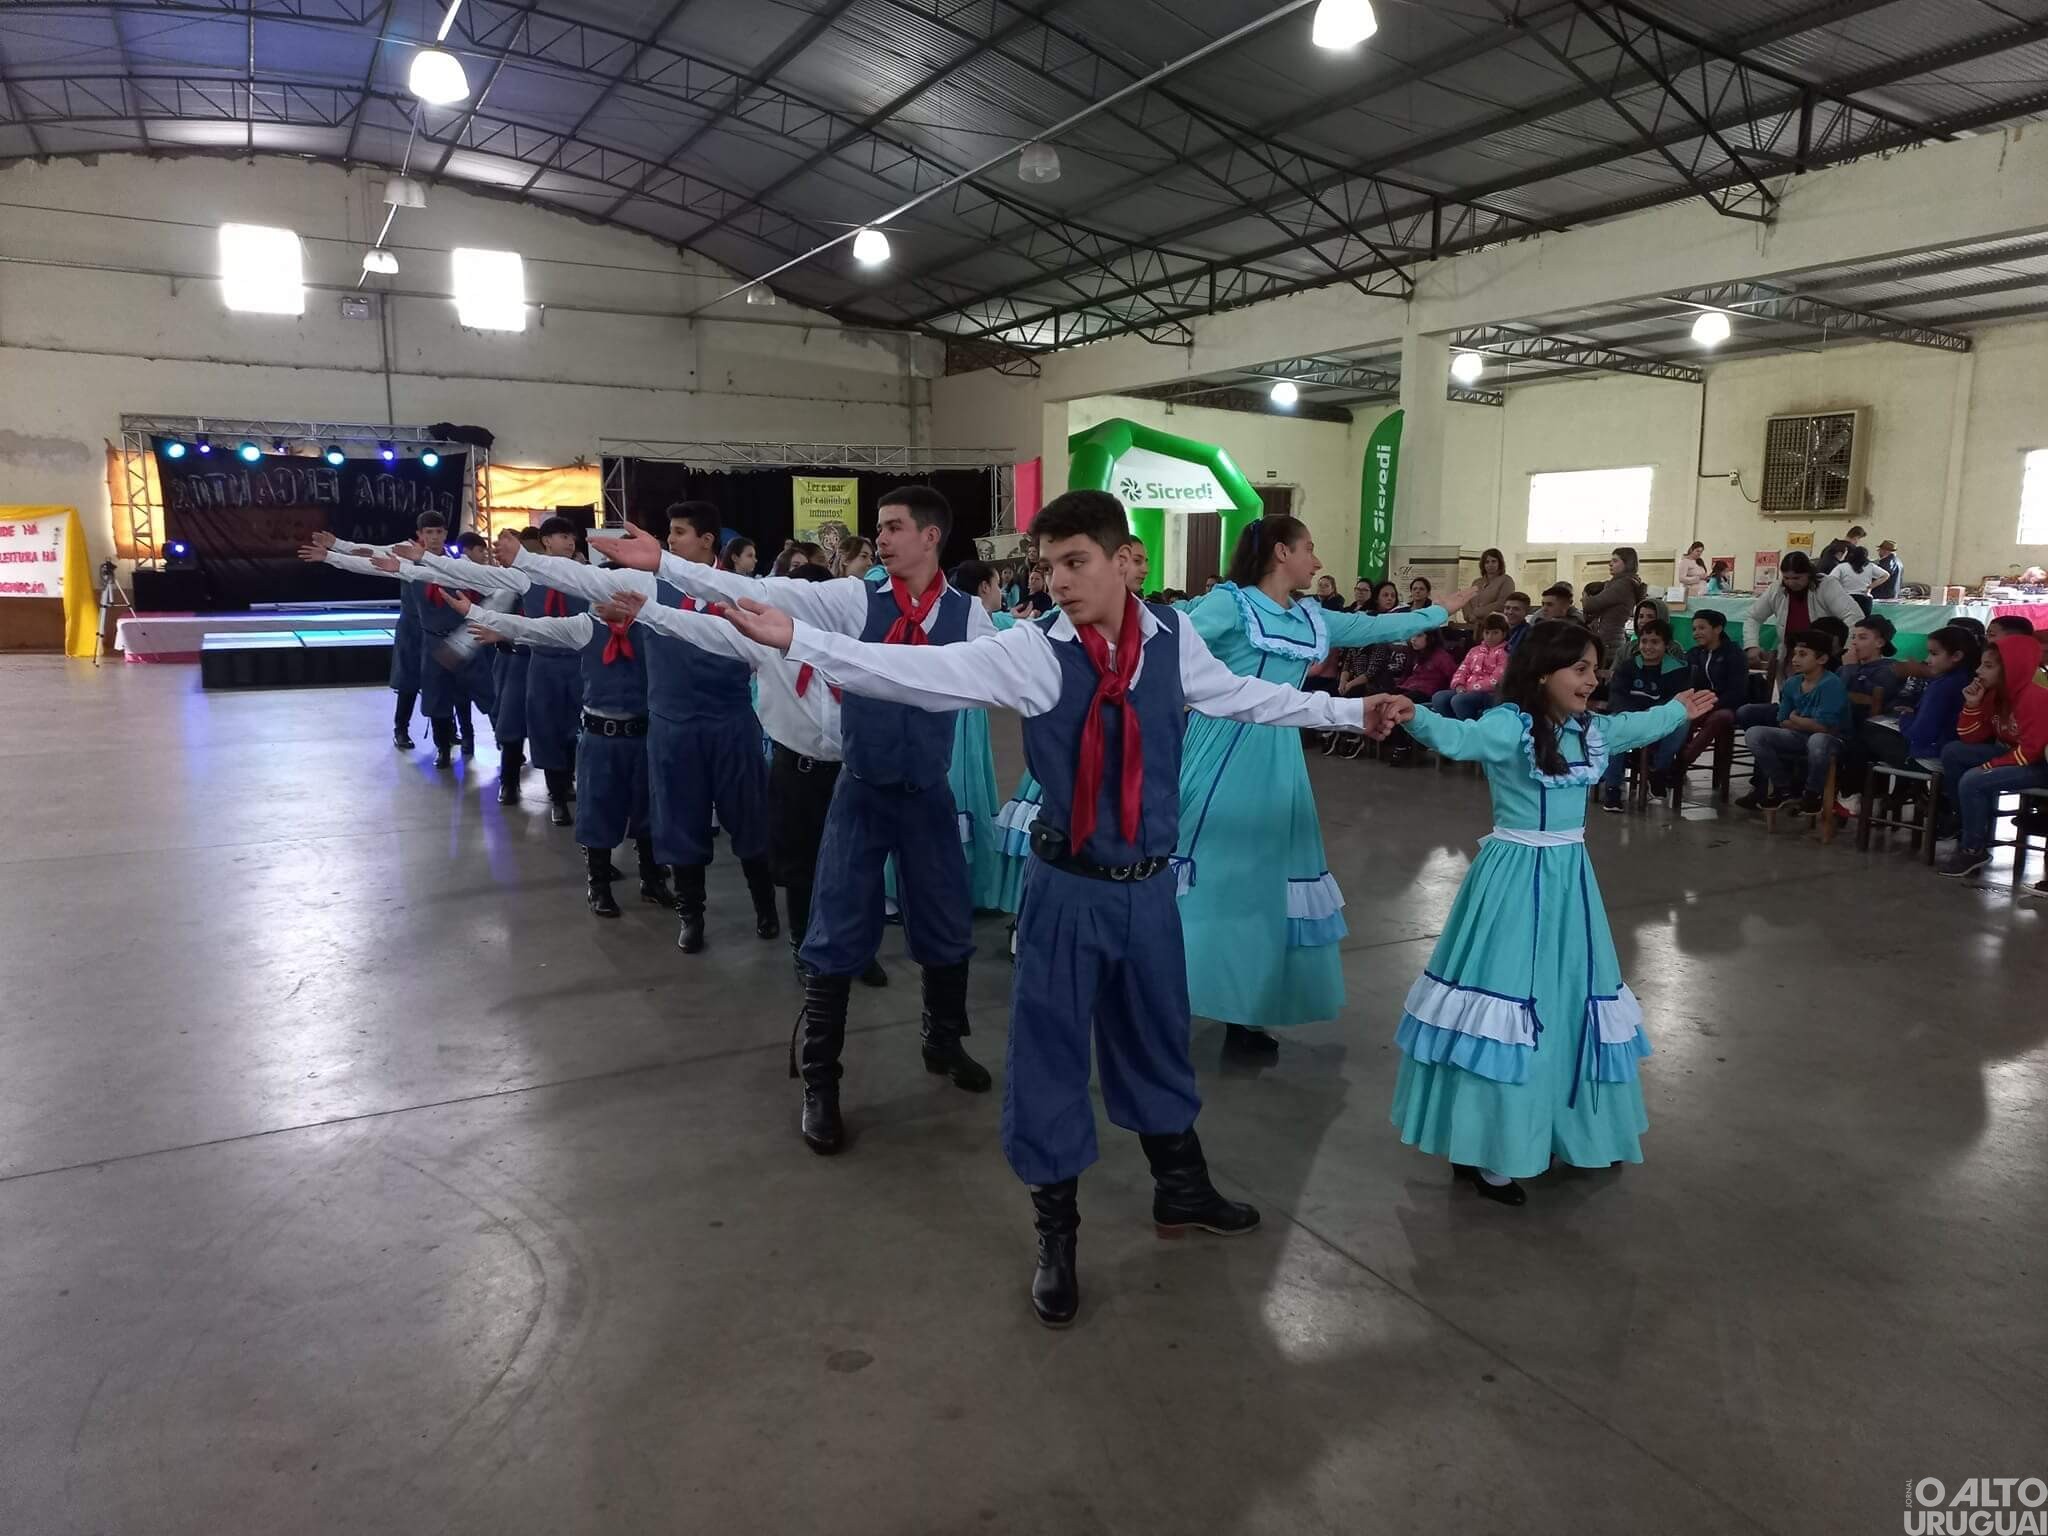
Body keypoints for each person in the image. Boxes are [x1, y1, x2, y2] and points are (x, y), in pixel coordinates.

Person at [717, 488, 1403, 1326]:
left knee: (1156, 1036)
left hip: (1150, 889)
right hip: (1067, 891)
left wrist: (1346, 708)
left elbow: (1244, 697)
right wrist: (803, 638)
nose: (1060, 582)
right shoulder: (1036, 652)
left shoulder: (1173, 639)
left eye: (1076, 563)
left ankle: (1179, 1188)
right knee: (1048, 1057)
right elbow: (918, 670)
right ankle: (1058, 1231)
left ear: (1125, 561)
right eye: (1048, 567)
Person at [598, 485, 1000, 1153]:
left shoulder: (973, 619)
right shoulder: (852, 599)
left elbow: (1008, 674)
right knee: (834, 933)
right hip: (862, 789)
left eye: (896, 527)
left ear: (932, 537)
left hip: (927, 792)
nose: (884, 538)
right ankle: (820, 1081)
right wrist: (666, 568)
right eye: (881, 528)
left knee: (946, 922)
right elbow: (765, 597)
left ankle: (942, 1040)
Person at [1382, 622, 1715, 1205]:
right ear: (1542, 673)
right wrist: (1416, 716)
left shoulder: (1589, 729)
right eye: (1580, 669)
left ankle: (1563, 1126)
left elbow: (1634, 726)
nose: (1592, 679)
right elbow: (1460, 740)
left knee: (1567, 998)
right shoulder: (1509, 724)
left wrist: (1676, 711)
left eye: (1594, 668)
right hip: (1513, 879)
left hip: (1570, 882)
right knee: (1506, 1003)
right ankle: (1490, 1146)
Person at [1176, 517, 1470, 1051]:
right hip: (1222, 748)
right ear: (1281, 552)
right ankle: (1171, 993)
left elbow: (1379, 628)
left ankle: (1244, 1009)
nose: (1317, 561)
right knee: (1211, 873)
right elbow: (1168, 644)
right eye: (1310, 549)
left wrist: (1440, 610)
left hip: (1279, 754)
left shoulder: (1311, 616)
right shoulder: (1230, 605)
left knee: (1271, 879)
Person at [596, 571, 889, 989]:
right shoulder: (762, 638)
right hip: (791, 767)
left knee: (860, 863)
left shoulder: (859, 647)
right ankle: (793, 942)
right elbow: (705, 628)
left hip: (850, 770)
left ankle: (859, 947)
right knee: (798, 867)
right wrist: (649, 612)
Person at [505, 506, 781, 948]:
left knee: (749, 819)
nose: (671, 541)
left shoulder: (740, 591)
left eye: (679, 533)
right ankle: (692, 915)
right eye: (669, 532)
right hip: (672, 727)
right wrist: (526, 560)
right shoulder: (650, 586)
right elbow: (586, 581)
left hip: (730, 723)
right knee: (679, 819)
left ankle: (765, 906)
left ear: (708, 540)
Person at [455, 592, 662, 917]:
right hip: (601, 736)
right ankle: (598, 885)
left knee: (647, 806)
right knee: (597, 807)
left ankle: (652, 880)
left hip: (641, 735)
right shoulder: (585, 627)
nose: (604, 605)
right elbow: (540, 628)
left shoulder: (649, 629)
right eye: (602, 598)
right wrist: (504, 630)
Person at [411, 515, 584, 809]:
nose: (568, 543)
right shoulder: (522, 577)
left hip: (563, 662)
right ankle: (509, 781)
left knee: (564, 724)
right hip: (518, 659)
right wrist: (461, 644)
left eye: (571, 537)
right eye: (561, 537)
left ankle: (562, 786)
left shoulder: (582, 574)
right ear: (545, 543)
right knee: (511, 722)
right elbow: (492, 607)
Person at [1936, 631, 2048, 879]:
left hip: (2041, 764)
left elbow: (2031, 751)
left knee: (1974, 779)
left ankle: (1973, 849)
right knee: (1954, 752)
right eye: (1980, 665)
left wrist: (1990, 766)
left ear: (2010, 668)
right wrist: (1972, 706)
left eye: (1987, 666)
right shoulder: (1995, 695)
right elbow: (1971, 737)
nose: (1978, 671)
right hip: (2016, 753)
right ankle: (1963, 819)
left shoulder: (2036, 698)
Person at [1738, 631, 1849, 814]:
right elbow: (1782, 720)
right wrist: (1801, 722)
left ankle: (1813, 794)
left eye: (1803, 654)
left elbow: (1824, 727)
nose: (1795, 659)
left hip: (1832, 741)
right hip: (1799, 736)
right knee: (1755, 734)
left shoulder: (1832, 684)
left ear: (1821, 659)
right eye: (1795, 653)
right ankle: (1783, 788)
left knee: (1818, 740)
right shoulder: (1792, 683)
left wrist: (1795, 718)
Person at [1858, 625, 1977, 775]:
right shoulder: (1964, 678)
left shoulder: (1942, 686)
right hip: (1943, 751)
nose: (1927, 660)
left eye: (1934, 654)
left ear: (1956, 656)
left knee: (1866, 731)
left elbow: (1919, 735)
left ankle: (1862, 792)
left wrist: (1906, 718)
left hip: (1928, 757)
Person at [1598, 618, 1688, 809]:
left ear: (1667, 645)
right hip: (1630, 716)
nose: (1648, 647)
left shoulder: (1678, 669)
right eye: (1644, 641)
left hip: (1661, 718)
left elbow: (1677, 700)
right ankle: (1613, 788)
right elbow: (1617, 695)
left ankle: (1659, 770)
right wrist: (1630, 716)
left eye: (1655, 642)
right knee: (1616, 727)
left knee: (1682, 723)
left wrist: (1654, 715)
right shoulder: (1628, 666)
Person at [1743, 550, 1862, 677]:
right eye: (1786, 578)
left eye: (1797, 578)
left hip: (1823, 658)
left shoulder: (1827, 585)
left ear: (1809, 574)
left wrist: (1847, 650)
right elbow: (1753, 617)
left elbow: (1854, 616)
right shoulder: (1777, 588)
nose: (1791, 583)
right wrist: (1751, 645)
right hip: (1791, 656)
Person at [1677, 609, 1748, 774]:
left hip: (1729, 706)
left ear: (1718, 629)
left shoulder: (1734, 654)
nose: (1696, 633)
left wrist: (1709, 704)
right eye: (1694, 629)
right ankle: (1673, 760)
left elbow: (1737, 691)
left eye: (1702, 628)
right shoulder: (1694, 654)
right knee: (1682, 716)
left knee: (1719, 717)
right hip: (1702, 704)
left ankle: (1684, 760)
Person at [1433, 613, 1511, 720]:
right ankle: (1453, 727)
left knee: (1459, 700)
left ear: (1504, 634)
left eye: (1495, 633)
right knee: (1439, 698)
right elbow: (1462, 669)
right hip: (1466, 690)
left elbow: (1496, 679)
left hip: (1489, 694)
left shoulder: (1505, 653)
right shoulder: (1474, 650)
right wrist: (1458, 685)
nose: (1490, 637)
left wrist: (1470, 688)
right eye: (1487, 632)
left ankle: (1470, 729)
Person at [1582, 547, 1647, 667]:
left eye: (1615, 561)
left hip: (1609, 640)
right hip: (1611, 638)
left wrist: (1586, 598)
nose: (1610, 563)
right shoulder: (1621, 583)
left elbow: (1590, 606)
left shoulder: (1623, 584)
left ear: (1627, 563)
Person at [1459, 548, 1514, 627]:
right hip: (1473, 625)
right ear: (1483, 565)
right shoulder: (1477, 582)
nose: (1490, 565)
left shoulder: (1506, 580)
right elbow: (1467, 600)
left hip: (1495, 626)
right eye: (1487, 562)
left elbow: (1502, 603)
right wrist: (1469, 616)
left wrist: (1477, 613)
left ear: (1500, 563)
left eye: (1493, 561)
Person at [1827, 546, 1883, 616]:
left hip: (1847, 598)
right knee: (1863, 623)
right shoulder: (1870, 566)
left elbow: (1831, 579)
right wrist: (1870, 586)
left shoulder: (1842, 566)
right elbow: (1886, 575)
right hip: (1865, 599)